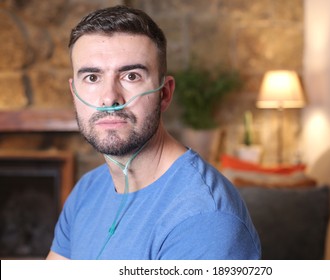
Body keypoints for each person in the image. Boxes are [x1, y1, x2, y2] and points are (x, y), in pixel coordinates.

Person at [46, 5, 261, 260]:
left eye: (131, 76)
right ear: (74, 93)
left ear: (165, 93)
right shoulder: (87, 189)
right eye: (92, 78)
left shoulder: (203, 218)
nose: (109, 98)